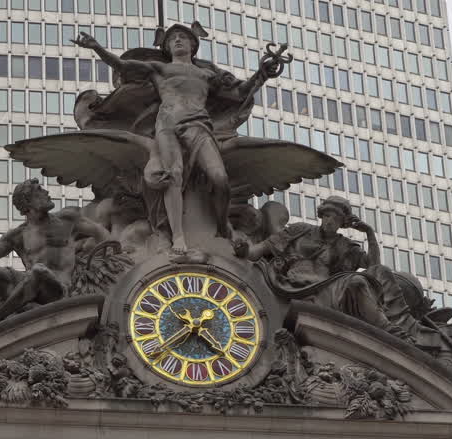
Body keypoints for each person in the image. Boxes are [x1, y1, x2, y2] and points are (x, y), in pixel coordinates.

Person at [73, 24, 269, 253]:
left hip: (198, 126)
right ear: (166, 46)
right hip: (167, 127)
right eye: (172, 39)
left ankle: (222, 225)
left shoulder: (207, 75)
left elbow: (240, 94)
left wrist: (262, 74)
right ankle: (177, 237)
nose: (177, 41)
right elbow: (123, 65)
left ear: (193, 45)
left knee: (219, 178)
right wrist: (97, 48)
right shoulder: (159, 70)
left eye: (183, 38)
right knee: (172, 175)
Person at [0, 179, 112, 342]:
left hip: (57, 290)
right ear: (27, 204)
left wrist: (111, 255)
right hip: (26, 290)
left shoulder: (67, 219)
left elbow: (100, 233)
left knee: (38, 271)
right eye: (39, 191)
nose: (46, 192)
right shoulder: (18, 235)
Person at [238, 196, 404, 336]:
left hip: (326, 290)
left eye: (336, 219)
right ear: (322, 215)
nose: (330, 221)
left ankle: (386, 329)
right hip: (291, 284)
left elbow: (374, 267)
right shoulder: (300, 230)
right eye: (328, 216)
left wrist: (370, 233)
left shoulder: (345, 245)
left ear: (343, 223)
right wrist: (245, 250)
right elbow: (259, 250)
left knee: (358, 282)